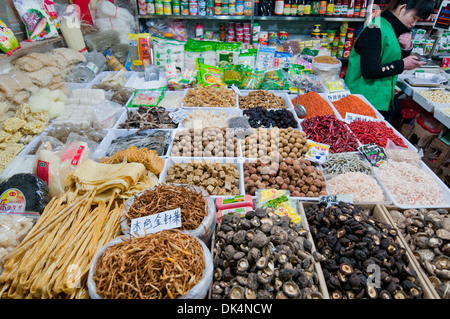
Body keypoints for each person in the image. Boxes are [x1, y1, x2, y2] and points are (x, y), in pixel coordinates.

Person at [344, 0, 434, 118]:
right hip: (363, 102)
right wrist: (402, 65)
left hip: (379, 100)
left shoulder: (390, 28)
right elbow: (369, 70)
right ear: (402, 8)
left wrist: (406, 49)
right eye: (414, 17)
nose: (414, 24)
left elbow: (388, 58)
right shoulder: (375, 29)